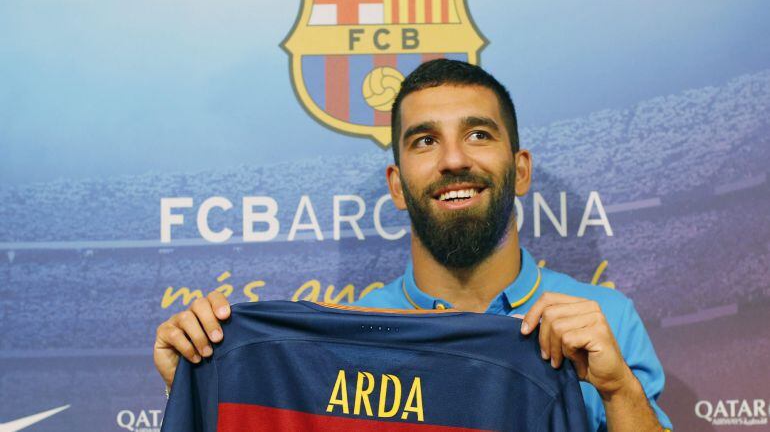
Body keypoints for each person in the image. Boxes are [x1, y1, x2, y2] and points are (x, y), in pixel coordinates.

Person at [154, 59, 672, 431]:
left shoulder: (605, 318)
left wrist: (618, 389)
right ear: (397, 185)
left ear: (520, 171)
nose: (452, 160)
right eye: (425, 140)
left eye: (478, 135)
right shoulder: (346, 338)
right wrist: (207, 383)